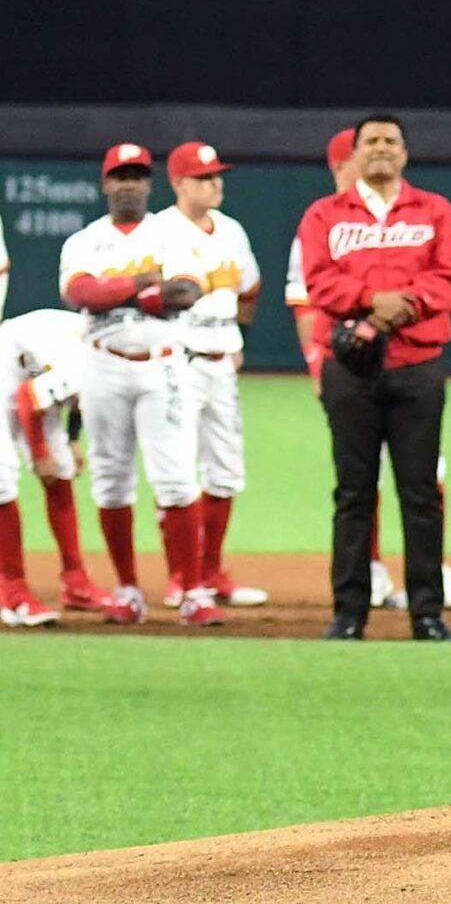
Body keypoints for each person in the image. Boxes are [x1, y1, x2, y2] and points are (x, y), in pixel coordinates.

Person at [283, 128, 451, 615]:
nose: (380, 148)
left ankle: (427, 614)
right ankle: (350, 612)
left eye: (390, 141)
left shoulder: (435, 210)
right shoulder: (324, 216)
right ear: (355, 154)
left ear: (405, 153)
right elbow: (319, 281)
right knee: (353, 493)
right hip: (350, 368)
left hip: (417, 365)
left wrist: (388, 313)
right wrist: (370, 301)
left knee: (420, 493)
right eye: (371, 141)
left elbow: (447, 276)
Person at [58, 143, 213, 627]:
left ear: (149, 183)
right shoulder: (84, 240)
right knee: (109, 480)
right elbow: (79, 293)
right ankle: (127, 590)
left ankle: (191, 591)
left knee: (176, 479)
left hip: (162, 364)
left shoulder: (173, 235)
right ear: (106, 183)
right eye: (119, 175)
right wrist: (146, 284)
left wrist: (118, 291)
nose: (128, 184)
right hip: (103, 364)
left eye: (137, 175)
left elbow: (187, 292)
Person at [152, 142, 265, 612]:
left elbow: (249, 289)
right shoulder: (158, 231)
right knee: (176, 474)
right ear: (178, 183)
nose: (215, 184)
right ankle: (183, 576)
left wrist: (233, 338)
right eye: (203, 177)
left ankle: (212, 570)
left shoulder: (232, 231)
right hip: (178, 361)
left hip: (221, 363)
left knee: (225, 472)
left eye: (217, 176)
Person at [0, 309, 91, 618]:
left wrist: (73, 438)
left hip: (34, 370)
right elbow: (29, 399)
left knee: (62, 467)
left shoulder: (111, 360)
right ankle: (13, 593)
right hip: (6, 365)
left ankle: (76, 582)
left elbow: (78, 398)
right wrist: (39, 455)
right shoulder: (86, 363)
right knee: (2, 476)